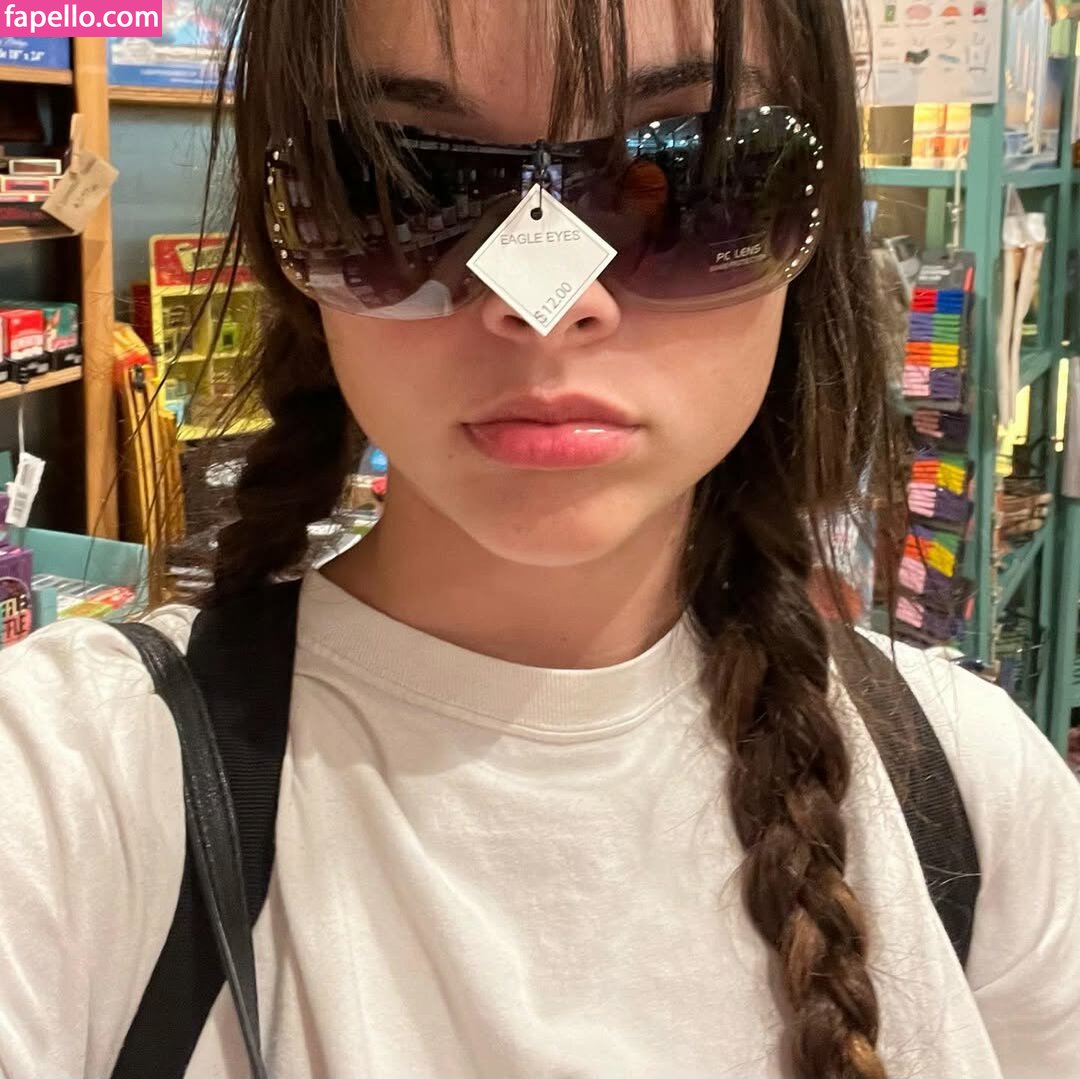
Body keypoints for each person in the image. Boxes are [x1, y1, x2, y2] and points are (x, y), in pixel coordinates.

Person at [2, 2, 1079, 1078]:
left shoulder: (978, 795)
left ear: (812, 230)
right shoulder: (71, 786)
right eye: (403, 184)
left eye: (687, 177)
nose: (549, 302)